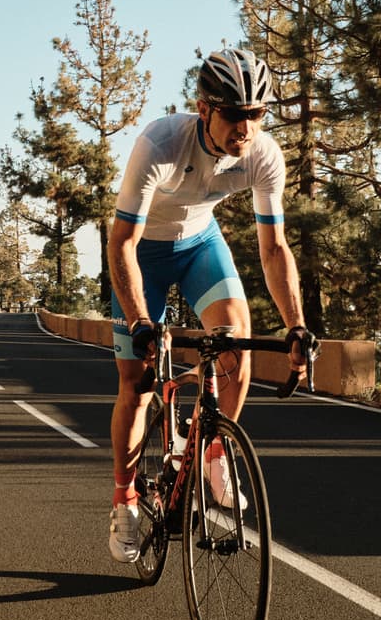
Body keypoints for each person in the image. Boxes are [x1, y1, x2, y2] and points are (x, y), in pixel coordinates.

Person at [106, 48, 312, 563]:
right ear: (204, 108)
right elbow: (121, 245)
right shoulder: (159, 143)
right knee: (135, 381)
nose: (247, 128)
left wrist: (297, 326)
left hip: (200, 244)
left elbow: (273, 249)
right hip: (143, 254)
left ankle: (213, 449)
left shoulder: (263, 155)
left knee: (237, 347)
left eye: (257, 115)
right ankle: (125, 500)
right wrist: (140, 323)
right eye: (235, 115)